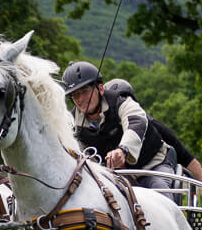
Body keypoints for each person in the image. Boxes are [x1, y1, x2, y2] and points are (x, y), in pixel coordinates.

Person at [62, 61, 175, 191]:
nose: (81, 99)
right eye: (75, 95)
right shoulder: (72, 124)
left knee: (159, 189)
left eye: (85, 91)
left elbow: (136, 122)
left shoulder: (120, 102)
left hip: (152, 166)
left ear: (100, 89)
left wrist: (123, 150)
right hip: (116, 177)